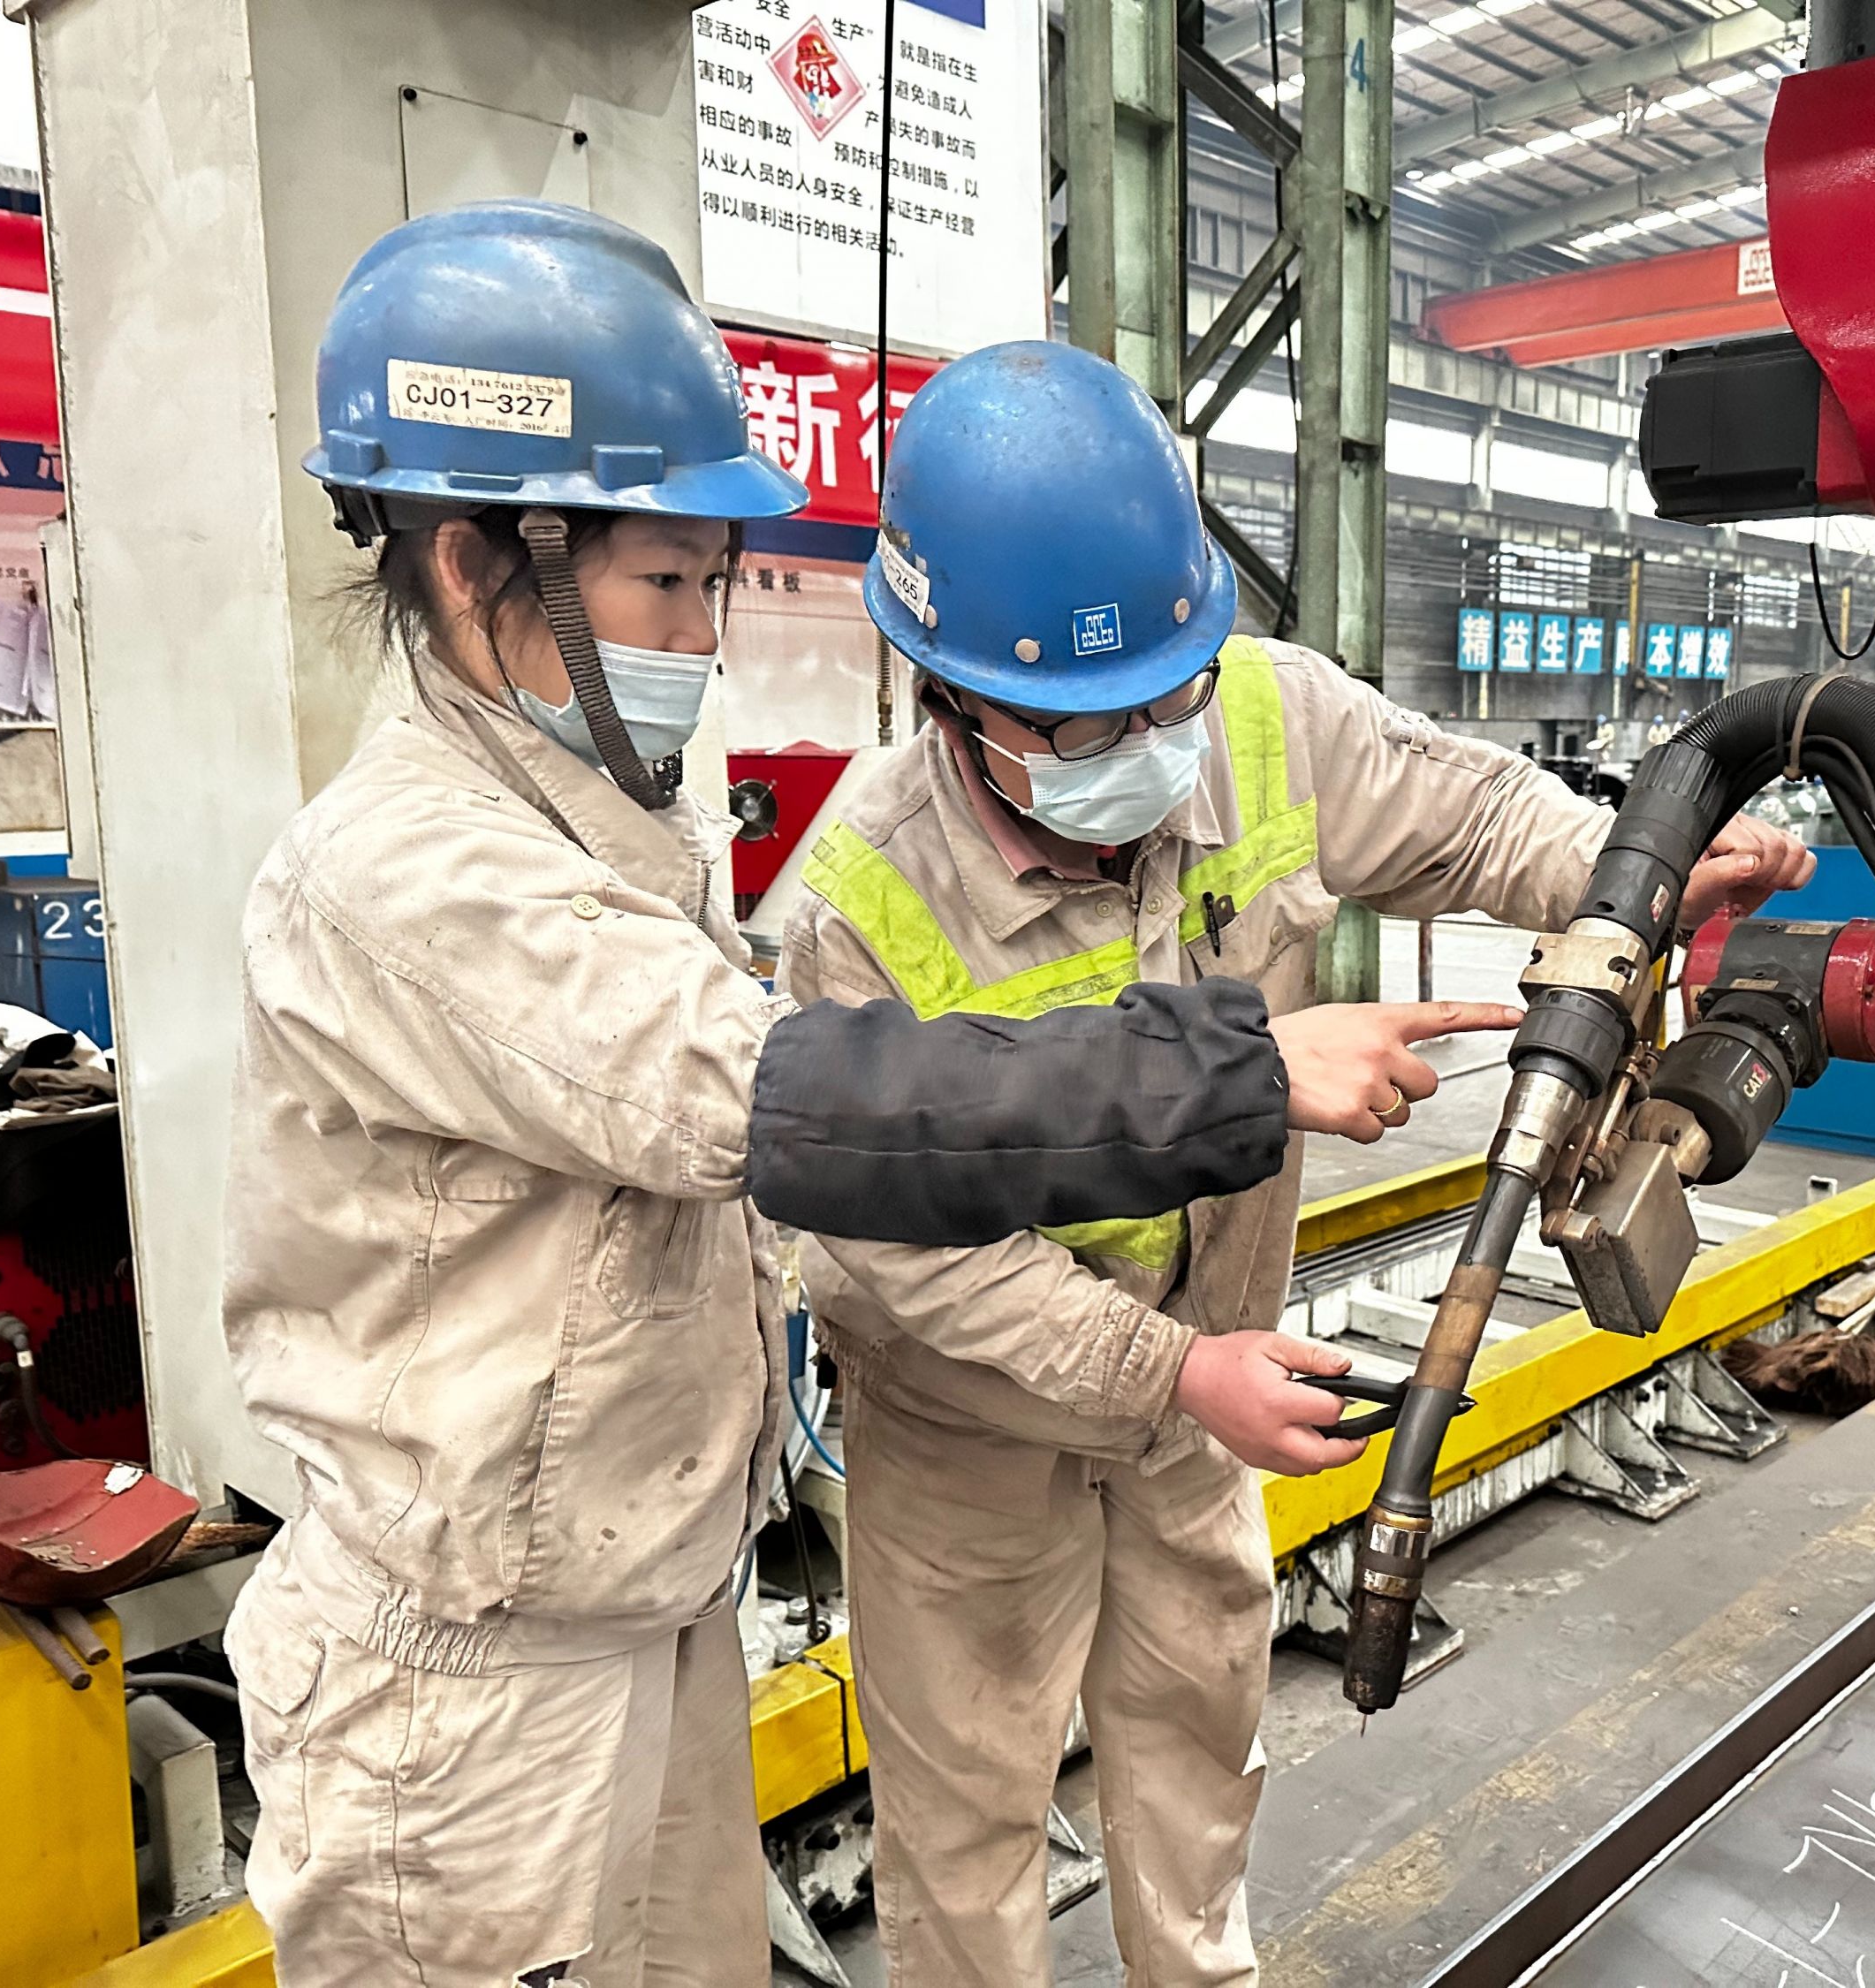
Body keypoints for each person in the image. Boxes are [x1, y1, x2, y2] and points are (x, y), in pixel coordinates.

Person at [217, 202, 1411, 1988]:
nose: (702, 637)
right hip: (470, 1691)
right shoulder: (412, 875)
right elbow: (792, 1105)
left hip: (648, 1601)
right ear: (474, 565)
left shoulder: (609, 823)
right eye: (665, 584)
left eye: (716, 580)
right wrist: (1233, 1069)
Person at [782, 340, 1814, 1986]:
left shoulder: (1258, 719)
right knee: (965, 1830)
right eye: (1084, 725)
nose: (1146, 744)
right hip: (972, 1431)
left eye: (1166, 694)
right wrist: (1172, 1370)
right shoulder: (863, 897)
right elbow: (894, 1245)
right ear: (951, 694)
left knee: (1198, 1763)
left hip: (1206, 1394)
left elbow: (1473, 816)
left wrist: (1634, 873)